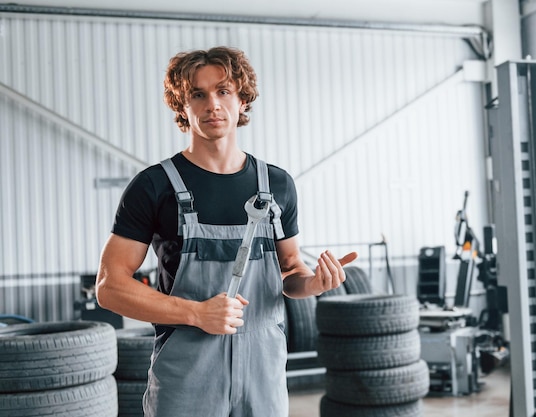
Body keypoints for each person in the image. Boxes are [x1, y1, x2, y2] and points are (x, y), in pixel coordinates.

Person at [95, 46, 357, 417]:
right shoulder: (153, 186)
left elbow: (291, 271)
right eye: (197, 95)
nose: (212, 105)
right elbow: (110, 287)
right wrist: (196, 313)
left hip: (263, 375)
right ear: (181, 107)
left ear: (242, 100)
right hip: (187, 373)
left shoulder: (277, 185)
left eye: (223, 91)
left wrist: (312, 284)